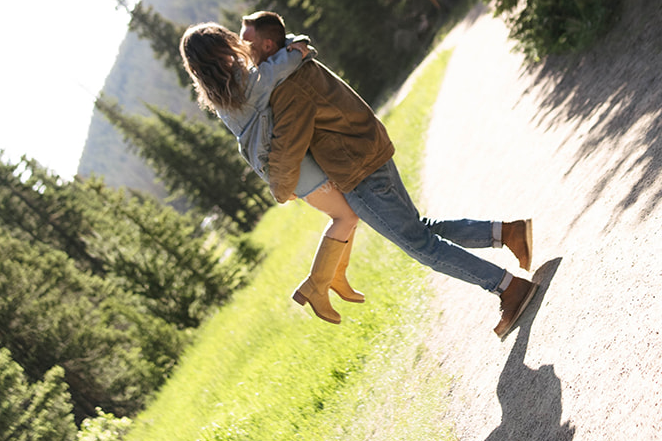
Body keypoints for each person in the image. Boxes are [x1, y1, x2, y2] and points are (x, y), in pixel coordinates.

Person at [259, 22, 539, 338]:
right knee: (422, 230)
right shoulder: (295, 59)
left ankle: (508, 287)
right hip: (370, 150)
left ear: (268, 44)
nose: (244, 48)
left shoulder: (287, 87)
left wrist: (281, 189)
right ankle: (509, 233)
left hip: (357, 171)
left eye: (247, 40)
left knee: (422, 246)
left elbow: (287, 149)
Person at [179, 18, 363, 324]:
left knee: (346, 214)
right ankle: (317, 285)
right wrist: (298, 49)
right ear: (219, 47)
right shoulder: (241, 83)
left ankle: (335, 276)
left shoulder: (219, 92)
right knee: (347, 216)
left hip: (282, 163)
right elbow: (277, 70)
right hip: (293, 165)